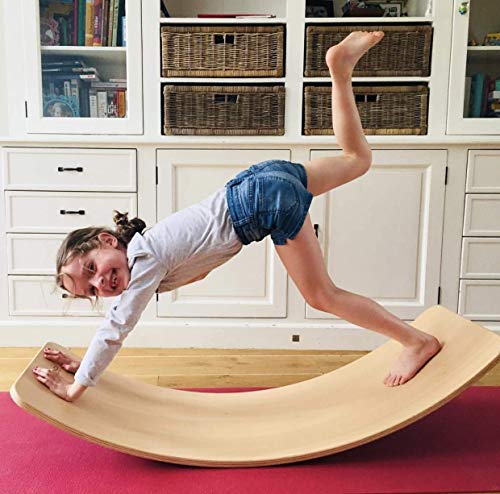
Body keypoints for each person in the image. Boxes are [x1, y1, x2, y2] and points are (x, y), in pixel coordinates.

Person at [33, 31, 441, 402]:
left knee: (322, 296)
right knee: (358, 160)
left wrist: (77, 385)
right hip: (259, 179)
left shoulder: (144, 261)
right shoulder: (152, 257)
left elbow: (114, 332)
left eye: (91, 267)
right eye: (90, 290)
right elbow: (197, 273)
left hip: (262, 202)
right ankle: (340, 69)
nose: (99, 282)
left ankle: (416, 341)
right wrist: (81, 363)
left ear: (108, 240)